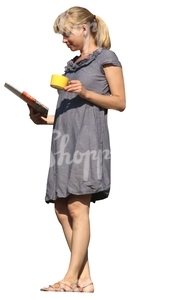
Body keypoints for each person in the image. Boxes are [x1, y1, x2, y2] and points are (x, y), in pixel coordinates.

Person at [28, 6, 126, 292]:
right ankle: (84, 278)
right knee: (61, 209)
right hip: (64, 144)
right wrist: (44, 118)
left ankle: (69, 278)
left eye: (66, 33)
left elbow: (120, 102)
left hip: (88, 144)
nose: (63, 40)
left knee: (77, 208)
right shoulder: (72, 65)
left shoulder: (106, 58)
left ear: (84, 29)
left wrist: (86, 92)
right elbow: (72, 113)